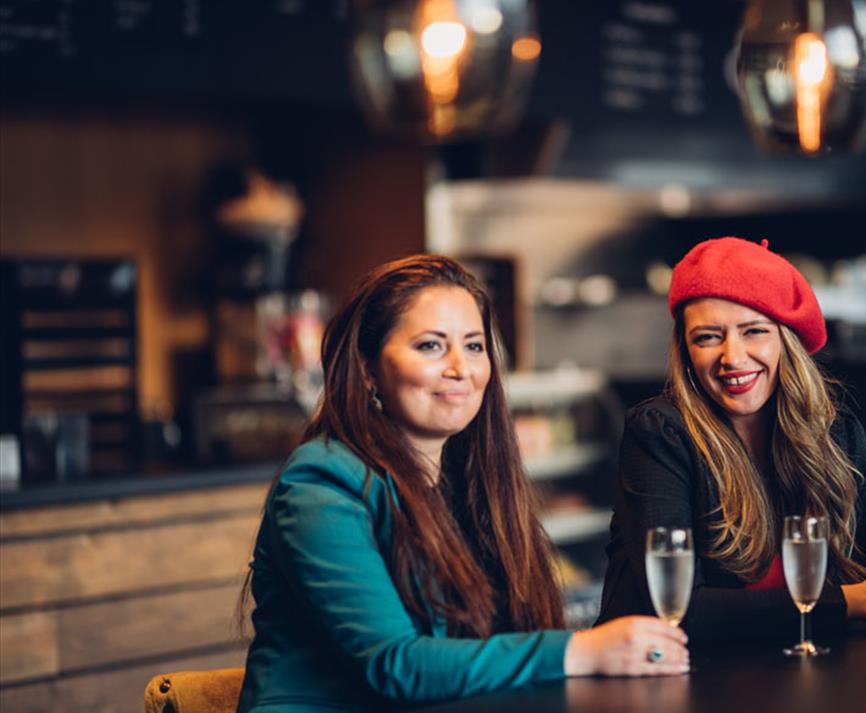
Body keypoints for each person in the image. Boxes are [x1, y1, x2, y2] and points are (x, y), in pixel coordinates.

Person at [236, 255, 688, 713]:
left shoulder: (472, 482)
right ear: (368, 368)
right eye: (431, 346)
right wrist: (582, 651)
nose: (461, 368)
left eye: (474, 346)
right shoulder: (321, 483)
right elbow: (395, 665)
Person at [597, 237, 866, 643]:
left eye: (754, 331)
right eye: (708, 337)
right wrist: (862, 600)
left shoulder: (833, 435)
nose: (732, 357)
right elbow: (679, 615)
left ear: (785, 342)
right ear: (686, 350)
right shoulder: (661, 433)